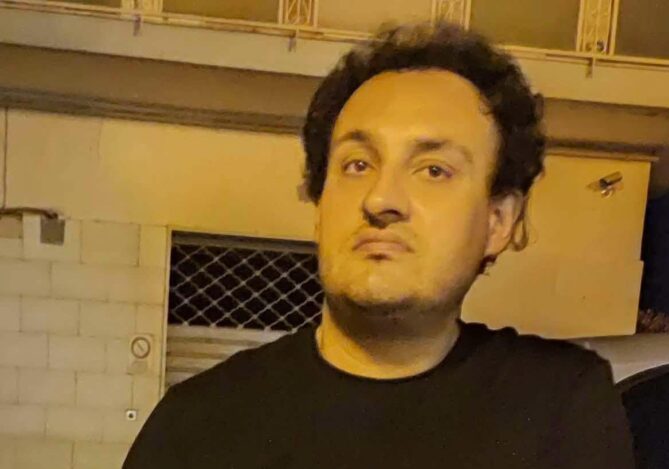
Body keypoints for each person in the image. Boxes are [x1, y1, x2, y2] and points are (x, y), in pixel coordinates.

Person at [123, 22, 635, 469]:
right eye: (357, 165)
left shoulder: (560, 407)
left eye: (433, 170)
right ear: (320, 206)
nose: (380, 198)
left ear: (498, 222)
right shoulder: (196, 424)